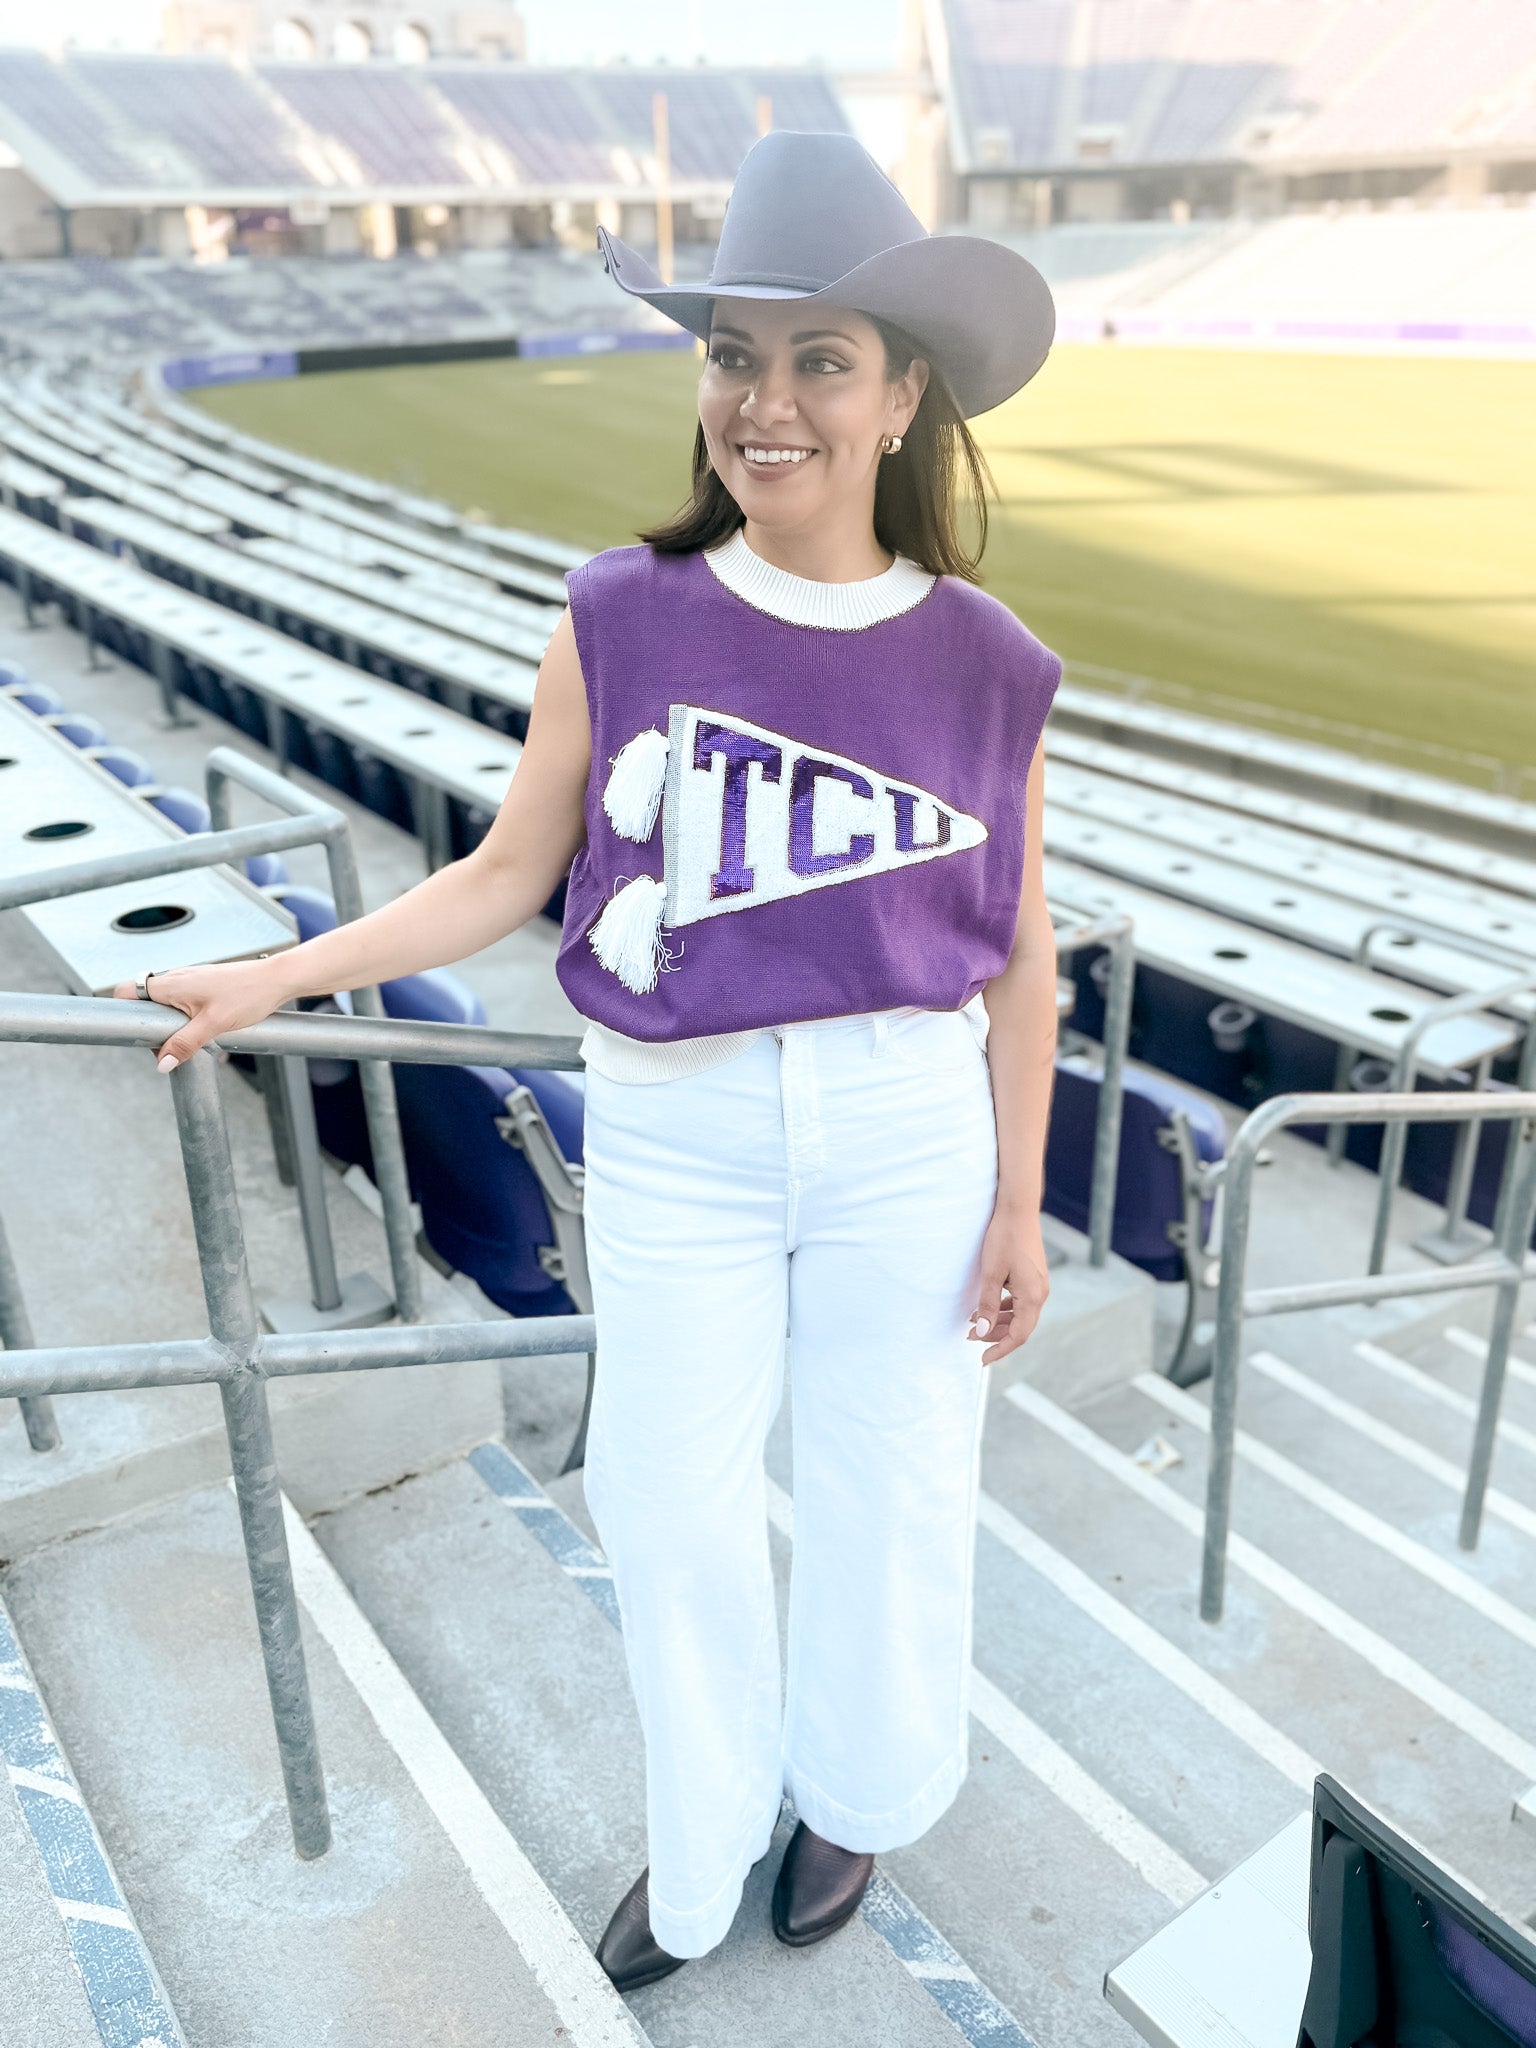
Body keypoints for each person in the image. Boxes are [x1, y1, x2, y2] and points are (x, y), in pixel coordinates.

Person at [114, 131, 1063, 1994]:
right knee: (663, 1493)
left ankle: (857, 1794)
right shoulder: (621, 611)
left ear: (900, 398)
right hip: (676, 1124)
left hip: (904, 1123)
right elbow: (501, 874)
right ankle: (700, 1849)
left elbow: (1022, 953)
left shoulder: (987, 658)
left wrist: (1019, 1197)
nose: (765, 402)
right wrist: (278, 975)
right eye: (733, 356)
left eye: (819, 361)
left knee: (890, 1486)